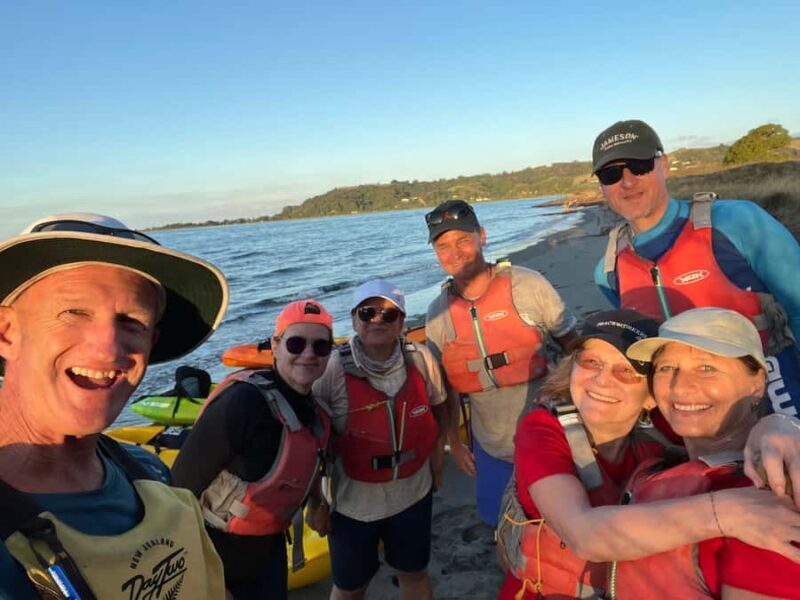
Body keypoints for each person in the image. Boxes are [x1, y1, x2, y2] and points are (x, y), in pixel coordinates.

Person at [0, 212, 229, 599]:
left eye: (132, 322)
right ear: (7, 333)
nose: (108, 348)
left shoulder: (150, 475)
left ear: (151, 342)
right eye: (74, 312)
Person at [497, 309, 800, 600]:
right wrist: (727, 513)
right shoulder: (543, 430)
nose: (602, 380)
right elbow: (583, 534)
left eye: (627, 372)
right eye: (590, 362)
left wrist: (780, 423)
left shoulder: (664, 424)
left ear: (650, 396)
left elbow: (724, 422)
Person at [592, 119, 800, 419]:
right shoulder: (608, 271)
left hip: (774, 395)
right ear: (602, 185)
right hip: (691, 414)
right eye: (611, 174)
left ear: (664, 165)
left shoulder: (736, 222)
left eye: (639, 166)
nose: (627, 181)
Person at [613, 307, 800, 598]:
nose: (680, 386)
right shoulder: (654, 456)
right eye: (665, 368)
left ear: (757, 383)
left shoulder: (770, 499)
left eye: (706, 368)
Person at [425, 199, 578, 525]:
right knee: (502, 526)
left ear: (482, 235)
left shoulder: (528, 285)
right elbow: (443, 388)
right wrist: (454, 440)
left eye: (463, 240)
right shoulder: (437, 315)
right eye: (443, 246)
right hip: (490, 447)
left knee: (558, 524)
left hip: (547, 436)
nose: (455, 253)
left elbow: (576, 350)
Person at [172, 299, 334, 600]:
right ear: (275, 345)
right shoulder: (242, 403)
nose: (308, 355)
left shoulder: (315, 412)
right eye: (296, 344)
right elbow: (174, 495)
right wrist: (205, 578)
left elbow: (306, 459)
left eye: (320, 347)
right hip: (216, 563)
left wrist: (315, 504)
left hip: (269, 557)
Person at [311, 279, 447, 600]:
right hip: (352, 504)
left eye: (388, 314)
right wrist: (315, 502)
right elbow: (311, 441)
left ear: (401, 322)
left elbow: (440, 410)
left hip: (412, 493)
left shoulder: (420, 358)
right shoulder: (331, 368)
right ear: (355, 319)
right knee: (349, 587)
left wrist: (438, 464)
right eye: (367, 312)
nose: (376, 321)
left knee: (414, 573)